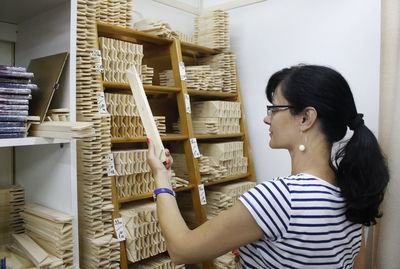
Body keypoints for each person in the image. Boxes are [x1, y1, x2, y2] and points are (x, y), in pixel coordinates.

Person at [146, 64, 389, 268]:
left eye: (274, 108)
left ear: (306, 118)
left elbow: (181, 249)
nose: (266, 118)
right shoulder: (353, 191)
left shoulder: (280, 198)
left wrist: (161, 178)